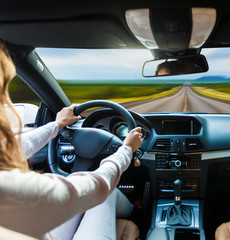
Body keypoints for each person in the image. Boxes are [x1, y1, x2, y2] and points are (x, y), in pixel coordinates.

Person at [0, 41, 143, 239]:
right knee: (104, 193)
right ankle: (138, 214)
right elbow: (96, 185)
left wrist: (56, 126)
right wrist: (126, 148)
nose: (8, 104)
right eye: (3, 96)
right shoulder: (12, 188)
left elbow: (11, 148)